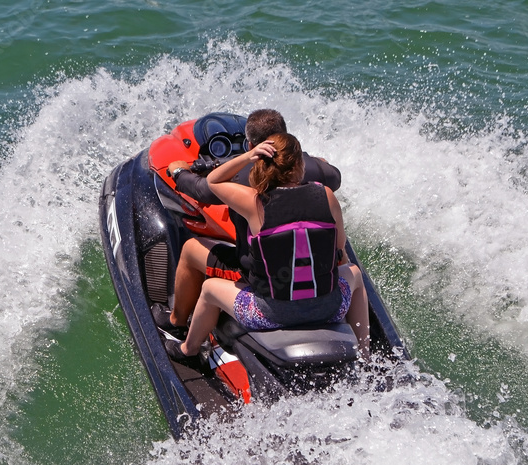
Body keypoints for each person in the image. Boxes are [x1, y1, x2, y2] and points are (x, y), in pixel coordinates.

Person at [164, 133, 371, 360]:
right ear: (300, 165)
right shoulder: (326, 195)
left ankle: (188, 350)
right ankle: (365, 354)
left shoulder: (254, 202)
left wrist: (247, 157)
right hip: (329, 309)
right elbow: (339, 247)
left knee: (210, 288)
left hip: (271, 314)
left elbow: (213, 181)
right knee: (354, 273)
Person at [157, 109, 341, 332]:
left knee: (190, 249)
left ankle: (176, 323)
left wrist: (179, 172)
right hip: (317, 281)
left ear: (251, 145)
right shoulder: (317, 173)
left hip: (264, 282)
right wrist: (312, 160)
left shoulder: (247, 187)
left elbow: (202, 190)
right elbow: (335, 176)